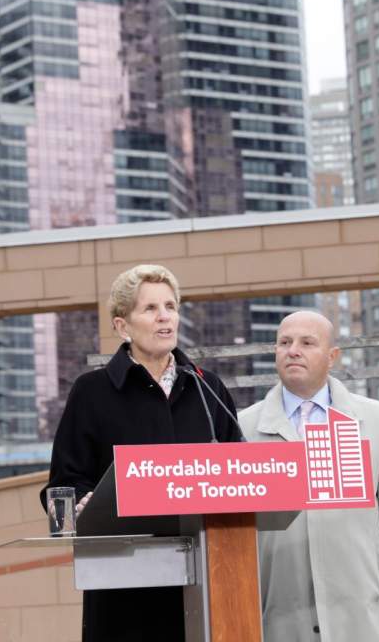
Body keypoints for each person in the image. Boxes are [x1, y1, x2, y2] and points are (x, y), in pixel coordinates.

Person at [44, 264, 242, 642]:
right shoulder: (91, 392)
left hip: (205, 581)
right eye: (150, 308)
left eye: (171, 306)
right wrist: (81, 507)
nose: (164, 316)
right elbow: (63, 485)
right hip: (123, 589)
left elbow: (238, 471)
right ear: (123, 326)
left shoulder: (207, 388)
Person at [239, 310, 379, 642]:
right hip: (277, 612)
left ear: (332, 356)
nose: (293, 351)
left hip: (359, 610)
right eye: (284, 342)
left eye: (307, 343)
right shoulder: (242, 427)